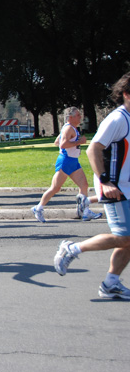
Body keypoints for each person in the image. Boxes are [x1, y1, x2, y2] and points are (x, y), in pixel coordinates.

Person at [53, 73, 130, 299]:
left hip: (125, 185)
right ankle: (72, 249)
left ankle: (111, 283)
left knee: (128, 238)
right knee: (124, 238)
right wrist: (105, 181)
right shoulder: (118, 119)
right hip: (114, 186)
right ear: (126, 94)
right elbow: (93, 149)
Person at [31, 107, 102, 223]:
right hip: (65, 161)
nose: (80, 117)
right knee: (55, 188)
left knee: (84, 185)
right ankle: (38, 208)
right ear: (70, 117)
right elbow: (63, 144)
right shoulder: (69, 128)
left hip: (73, 161)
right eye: (78, 115)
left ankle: (85, 211)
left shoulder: (70, 128)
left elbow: (56, 142)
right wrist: (79, 142)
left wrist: (73, 143)